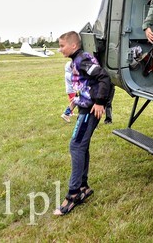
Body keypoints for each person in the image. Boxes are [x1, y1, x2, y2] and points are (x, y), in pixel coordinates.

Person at [54, 31, 111, 216]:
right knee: (81, 146)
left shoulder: (82, 60)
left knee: (76, 146)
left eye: (62, 45)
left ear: (73, 45)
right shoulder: (76, 61)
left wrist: (100, 101)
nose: (60, 49)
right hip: (85, 107)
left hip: (89, 110)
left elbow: (104, 77)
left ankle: (74, 193)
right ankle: (84, 187)